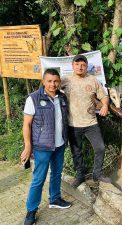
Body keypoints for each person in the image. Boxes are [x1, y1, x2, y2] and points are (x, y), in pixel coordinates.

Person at [21, 69, 71, 225]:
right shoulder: (33, 99)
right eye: (49, 81)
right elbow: (26, 124)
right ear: (43, 81)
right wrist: (28, 146)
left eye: (56, 81)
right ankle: (31, 211)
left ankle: (55, 198)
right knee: (39, 179)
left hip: (59, 144)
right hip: (42, 147)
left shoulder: (62, 97)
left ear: (59, 82)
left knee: (56, 174)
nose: (53, 84)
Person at [61, 54, 110, 188]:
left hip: (91, 123)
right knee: (76, 152)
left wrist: (105, 105)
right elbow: (52, 89)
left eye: (83, 65)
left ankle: (97, 173)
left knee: (100, 148)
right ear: (72, 66)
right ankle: (80, 175)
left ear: (86, 67)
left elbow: (104, 96)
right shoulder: (65, 80)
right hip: (73, 124)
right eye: (77, 64)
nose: (80, 67)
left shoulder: (93, 80)